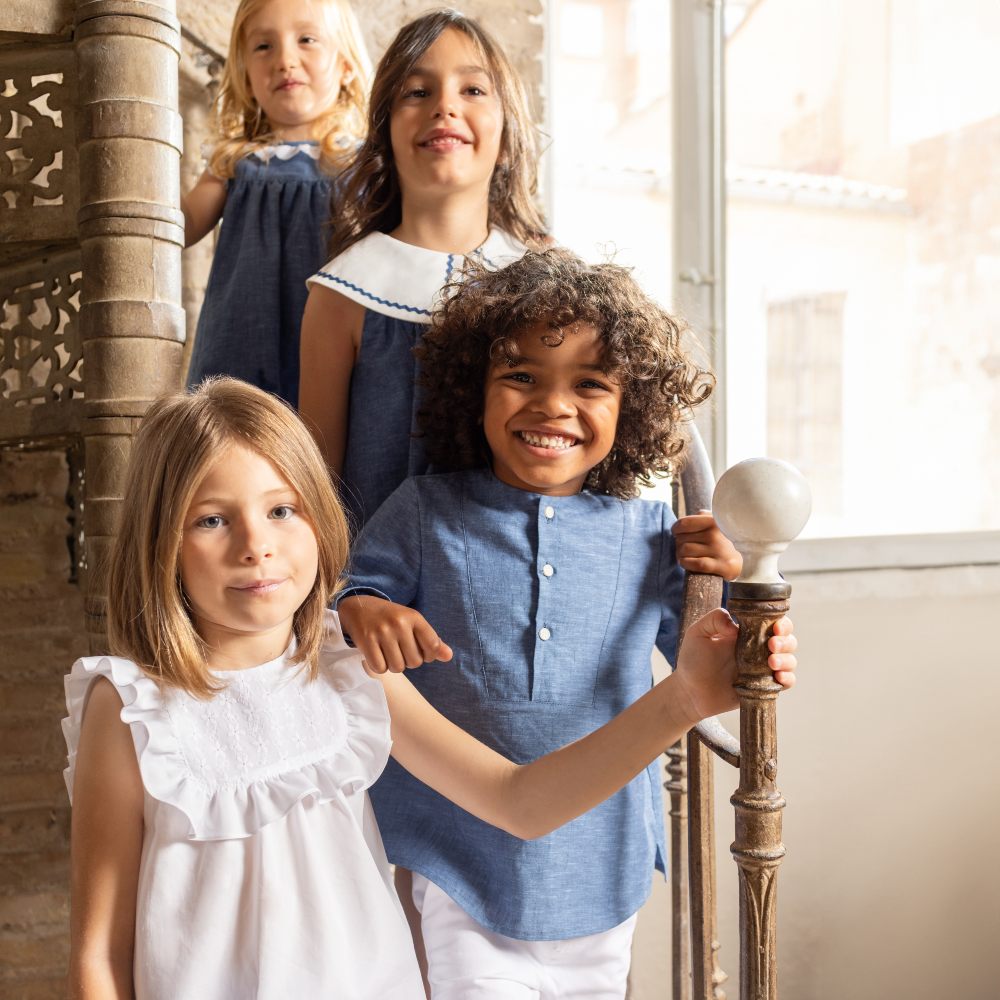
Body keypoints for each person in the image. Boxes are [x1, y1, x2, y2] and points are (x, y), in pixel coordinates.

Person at [63, 378, 796, 1000]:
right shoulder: (130, 708)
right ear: (163, 541)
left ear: (317, 517)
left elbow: (520, 802)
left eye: (281, 510)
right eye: (212, 519)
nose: (256, 544)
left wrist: (685, 701)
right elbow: (99, 954)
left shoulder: (348, 670)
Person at [337, 248, 752, 998]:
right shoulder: (426, 509)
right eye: (521, 376)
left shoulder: (654, 533)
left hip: (601, 855)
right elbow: (347, 596)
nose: (553, 405)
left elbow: (712, 656)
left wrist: (730, 576)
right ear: (476, 392)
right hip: (455, 850)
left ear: (632, 410)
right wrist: (364, 606)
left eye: (589, 384)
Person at [299, 9, 548, 529]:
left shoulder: (546, 285)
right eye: (417, 91)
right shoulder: (342, 293)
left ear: (507, 137)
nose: (445, 107)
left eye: (474, 91)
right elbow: (317, 485)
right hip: (377, 599)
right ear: (385, 131)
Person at [182, 0, 370, 406]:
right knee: (231, 436)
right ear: (246, 76)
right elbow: (181, 225)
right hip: (240, 338)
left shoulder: (363, 162)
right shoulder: (234, 161)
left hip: (329, 337)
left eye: (307, 40)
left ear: (345, 66)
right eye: (264, 46)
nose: (286, 60)